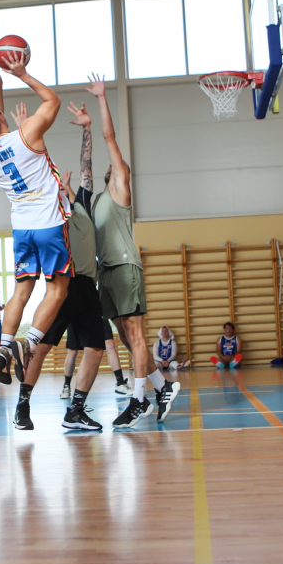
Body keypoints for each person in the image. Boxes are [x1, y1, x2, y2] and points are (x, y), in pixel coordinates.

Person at [79, 81, 179, 426]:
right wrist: (85, 130)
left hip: (124, 267)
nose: (112, 165)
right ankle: (162, 387)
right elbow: (87, 168)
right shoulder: (99, 198)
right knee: (124, 336)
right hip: (105, 272)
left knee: (135, 336)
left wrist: (102, 98)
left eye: (116, 164)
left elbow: (110, 139)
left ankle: (139, 401)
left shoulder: (121, 187)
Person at [0, 54, 71, 388]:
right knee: (57, 289)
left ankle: (6, 346)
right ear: (0, 116)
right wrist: (21, 75)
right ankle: (30, 340)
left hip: (22, 227)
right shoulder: (28, 134)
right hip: (50, 223)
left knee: (21, 290)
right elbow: (53, 100)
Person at [8, 168, 106, 431]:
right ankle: (22, 407)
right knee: (40, 348)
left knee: (95, 349)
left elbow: (87, 169)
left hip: (88, 287)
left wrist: (87, 129)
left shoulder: (82, 210)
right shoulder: (50, 217)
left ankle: (75, 412)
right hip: (62, 286)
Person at [61, 319, 129, 399]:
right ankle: (66, 385)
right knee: (72, 351)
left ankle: (120, 383)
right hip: (76, 313)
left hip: (97, 311)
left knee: (110, 343)